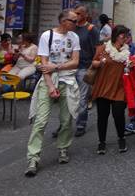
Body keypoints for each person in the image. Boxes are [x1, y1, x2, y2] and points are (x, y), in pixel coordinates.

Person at [25, 10, 80, 177]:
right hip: (48, 81)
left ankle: (63, 148)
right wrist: (50, 87)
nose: (77, 24)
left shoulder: (74, 37)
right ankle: (33, 158)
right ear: (64, 21)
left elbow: (75, 62)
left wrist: (56, 67)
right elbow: (43, 66)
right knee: (40, 121)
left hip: (68, 81)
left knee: (66, 119)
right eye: (74, 21)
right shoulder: (46, 36)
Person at [91, 25, 131, 155]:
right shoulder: (104, 49)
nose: (125, 38)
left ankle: (121, 138)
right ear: (115, 36)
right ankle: (101, 142)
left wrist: (133, 66)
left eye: (126, 35)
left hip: (119, 88)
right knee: (102, 116)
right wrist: (100, 62)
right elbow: (93, 63)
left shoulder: (127, 51)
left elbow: (134, 64)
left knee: (118, 114)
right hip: (104, 87)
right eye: (122, 35)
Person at [72, 5, 100, 137]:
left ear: (85, 15)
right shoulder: (72, 28)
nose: (76, 15)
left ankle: (80, 124)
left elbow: (97, 49)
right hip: (71, 67)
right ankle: (63, 125)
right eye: (75, 13)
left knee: (82, 98)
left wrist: (92, 66)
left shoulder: (91, 29)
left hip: (84, 67)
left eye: (78, 13)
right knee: (69, 97)